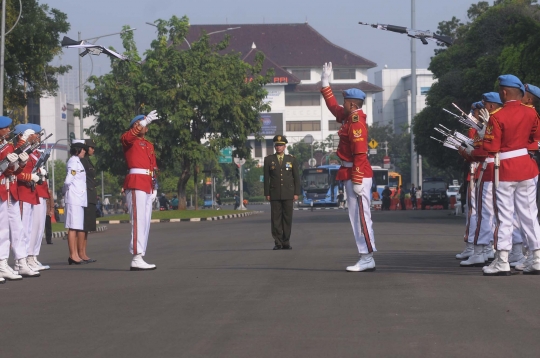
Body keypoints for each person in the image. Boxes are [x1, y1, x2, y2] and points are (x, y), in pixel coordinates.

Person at [481, 75, 540, 276]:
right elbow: (535, 139)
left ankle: (503, 260)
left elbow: (491, 146)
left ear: (504, 93)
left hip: (505, 169)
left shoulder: (497, 116)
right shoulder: (532, 113)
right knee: (530, 214)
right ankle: (537, 258)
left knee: (505, 215)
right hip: (527, 167)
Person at [321, 62, 376, 272]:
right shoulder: (350, 117)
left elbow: (361, 153)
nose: (342, 104)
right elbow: (334, 107)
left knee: (361, 217)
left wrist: (358, 179)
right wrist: (326, 84)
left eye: (345, 102)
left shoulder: (356, 123)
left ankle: (367, 256)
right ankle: (365, 255)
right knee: (356, 217)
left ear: (353, 104)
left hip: (356, 172)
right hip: (351, 171)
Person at [122, 111, 159, 271]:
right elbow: (127, 137)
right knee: (138, 221)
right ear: (135, 126)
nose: (146, 126)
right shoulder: (129, 140)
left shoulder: (149, 144)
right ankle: (136, 256)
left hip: (147, 183)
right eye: (142, 123)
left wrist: (155, 186)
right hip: (136, 181)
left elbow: (153, 167)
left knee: (145, 221)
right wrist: (142, 123)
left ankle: (140, 255)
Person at [0, 118, 30, 281]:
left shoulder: (9, 146)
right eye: (5, 128)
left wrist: (21, 163)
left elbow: (14, 172)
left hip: (7, 190)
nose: (8, 130)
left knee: (9, 229)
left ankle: (6, 262)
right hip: (2, 189)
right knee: (1, 229)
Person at [20, 124, 51, 272]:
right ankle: (27, 257)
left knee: (38, 227)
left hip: (39, 190)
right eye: (35, 134)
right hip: (31, 190)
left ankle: (32, 257)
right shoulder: (27, 152)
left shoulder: (35, 152)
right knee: (30, 228)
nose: (37, 137)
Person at [264, 135, 300, 250]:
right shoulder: (269, 159)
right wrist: (267, 193)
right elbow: (266, 177)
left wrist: (296, 193)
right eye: (277, 145)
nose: (278, 147)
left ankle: (286, 241)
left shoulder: (291, 159)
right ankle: (278, 242)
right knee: (276, 219)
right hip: (274, 193)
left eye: (280, 145)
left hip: (288, 193)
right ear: (274, 146)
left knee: (287, 218)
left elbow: (296, 177)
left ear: (285, 146)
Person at [63, 140, 88, 265]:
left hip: (79, 198)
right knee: (73, 227)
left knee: (77, 226)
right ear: (77, 150)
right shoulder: (73, 161)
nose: (84, 151)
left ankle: (76, 254)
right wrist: (65, 192)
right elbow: (68, 180)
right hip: (74, 198)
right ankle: (73, 255)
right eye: (82, 149)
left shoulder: (78, 161)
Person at [79, 138, 98, 263]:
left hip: (90, 194)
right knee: (83, 226)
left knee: (87, 227)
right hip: (85, 195)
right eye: (91, 147)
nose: (93, 149)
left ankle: (84, 252)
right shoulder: (82, 161)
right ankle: (80, 253)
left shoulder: (88, 161)